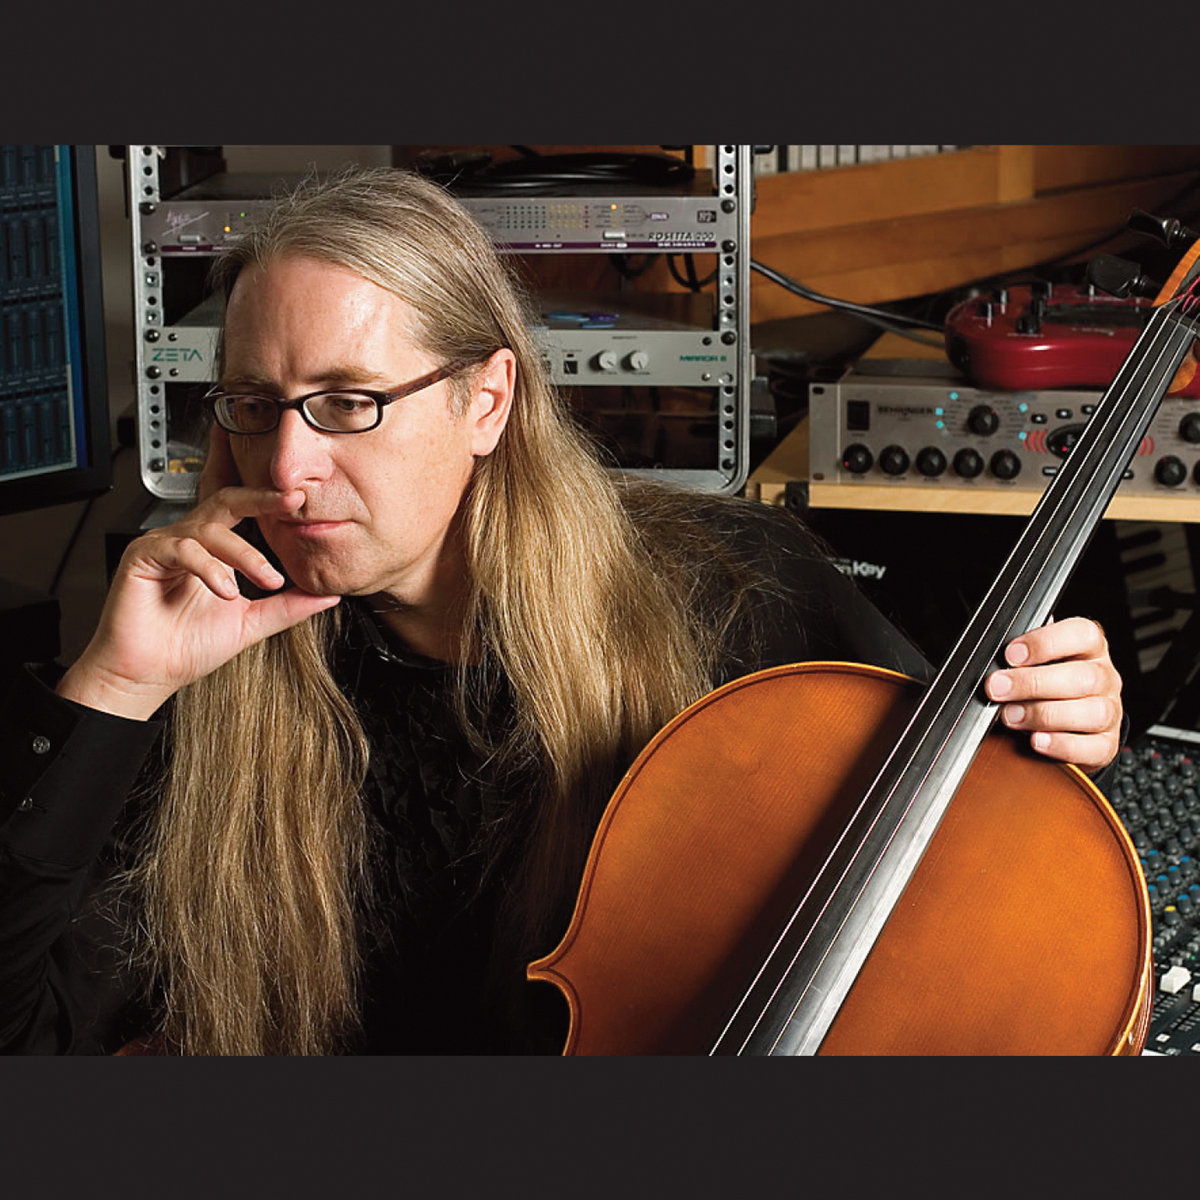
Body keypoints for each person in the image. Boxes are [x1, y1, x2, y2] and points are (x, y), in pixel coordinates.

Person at [0, 168, 1124, 1055]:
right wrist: (114, 687)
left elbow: (974, 873)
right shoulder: (213, 652)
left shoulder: (733, 589)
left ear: (486, 400)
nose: (286, 467)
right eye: (256, 404)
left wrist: (1054, 728)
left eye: (348, 402)